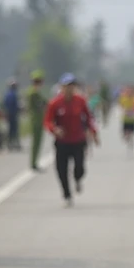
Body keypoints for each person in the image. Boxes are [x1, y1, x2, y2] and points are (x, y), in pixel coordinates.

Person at [43, 73, 99, 207]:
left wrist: (94, 132)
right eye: (67, 86)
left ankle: (77, 179)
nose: (69, 89)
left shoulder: (80, 101)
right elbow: (47, 121)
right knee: (61, 170)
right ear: (61, 87)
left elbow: (88, 118)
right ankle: (67, 194)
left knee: (79, 168)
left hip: (78, 140)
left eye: (72, 86)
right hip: (62, 142)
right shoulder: (55, 103)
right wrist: (54, 129)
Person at [26, 70, 47, 171]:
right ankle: (33, 162)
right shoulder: (33, 93)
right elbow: (41, 105)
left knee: (38, 142)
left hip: (39, 119)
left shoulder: (37, 92)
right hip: (36, 120)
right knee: (36, 142)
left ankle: (35, 161)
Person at [3, 80, 21, 151]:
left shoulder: (8, 94)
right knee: (13, 129)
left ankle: (11, 143)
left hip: (10, 114)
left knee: (11, 129)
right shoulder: (12, 94)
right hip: (12, 114)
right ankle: (13, 144)